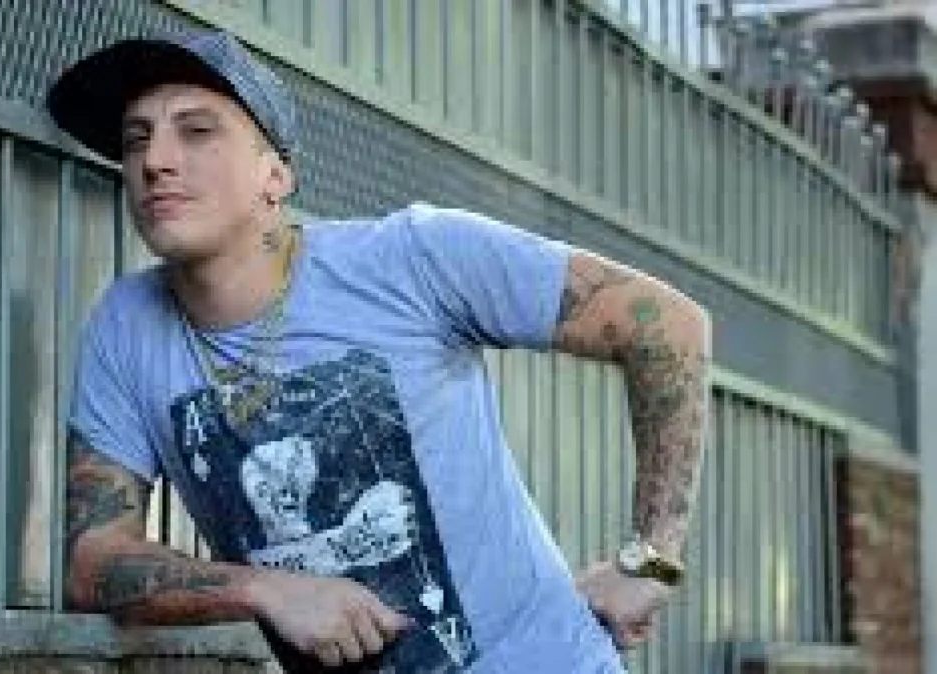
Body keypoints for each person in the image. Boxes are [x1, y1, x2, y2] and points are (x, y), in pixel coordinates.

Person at [47, 28, 710, 674]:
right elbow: (93, 561)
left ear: (274, 176)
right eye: (136, 139)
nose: (156, 161)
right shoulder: (126, 327)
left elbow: (667, 326)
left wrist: (651, 558)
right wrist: (266, 591)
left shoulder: (412, 259)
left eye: (196, 131)